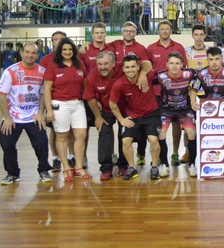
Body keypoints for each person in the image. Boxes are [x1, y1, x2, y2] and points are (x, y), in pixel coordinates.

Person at [0, 42, 52, 185]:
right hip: (13, 116)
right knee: (7, 144)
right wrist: (7, 118)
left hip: (33, 115)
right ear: (21, 53)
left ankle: (44, 171)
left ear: (37, 55)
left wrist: (41, 113)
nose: (30, 55)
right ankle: (12, 173)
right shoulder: (10, 71)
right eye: (27, 52)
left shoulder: (42, 72)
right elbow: (1, 94)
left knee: (42, 143)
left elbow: (43, 93)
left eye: (33, 53)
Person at [109, 55, 163, 180]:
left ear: (138, 67)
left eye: (133, 66)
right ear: (123, 69)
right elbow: (112, 103)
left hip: (151, 113)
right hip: (133, 116)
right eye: (127, 67)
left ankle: (154, 167)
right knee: (125, 141)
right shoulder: (119, 84)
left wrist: (143, 73)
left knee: (153, 139)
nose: (130, 70)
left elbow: (148, 62)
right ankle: (132, 168)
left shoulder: (147, 75)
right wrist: (122, 120)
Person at [43, 37, 89, 182]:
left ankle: (79, 167)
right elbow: (47, 89)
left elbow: (85, 84)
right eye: (64, 49)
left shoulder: (79, 64)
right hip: (60, 105)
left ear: (74, 50)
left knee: (81, 135)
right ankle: (66, 168)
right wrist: (49, 110)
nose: (67, 52)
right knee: (62, 136)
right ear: (59, 51)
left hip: (78, 104)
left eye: (70, 49)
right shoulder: (53, 66)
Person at [147, 19, 187, 167]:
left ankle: (175, 152)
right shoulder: (150, 48)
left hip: (176, 94)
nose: (165, 31)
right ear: (158, 31)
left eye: (167, 29)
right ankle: (157, 157)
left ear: (171, 31)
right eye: (162, 29)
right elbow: (147, 70)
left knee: (176, 125)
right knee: (158, 126)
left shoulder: (179, 47)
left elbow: (185, 70)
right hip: (156, 94)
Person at [154, 52, 200, 177]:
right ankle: (164, 165)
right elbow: (147, 81)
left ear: (182, 65)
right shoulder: (160, 76)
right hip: (166, 110)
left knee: (192, 133)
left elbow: (198, 79)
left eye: (177, 63)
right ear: (167, 64)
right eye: (172, 63)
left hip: (184, 110)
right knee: (161, 133)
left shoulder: (189, 73)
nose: (174, 66)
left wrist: (193, 97)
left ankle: (192, 164)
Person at [84, 50, 122, 180]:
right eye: (99, 64)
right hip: (106, 109)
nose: (103, 67)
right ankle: (106, 168)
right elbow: (90, 98)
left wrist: (142, 74)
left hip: (124, 108)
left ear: (113, 64)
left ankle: (123, 165)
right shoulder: (92, 76)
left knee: (125, 133)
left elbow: (145, 64)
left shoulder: (122, 67)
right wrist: (98, 117)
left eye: (106, 63)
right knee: (104, 132)